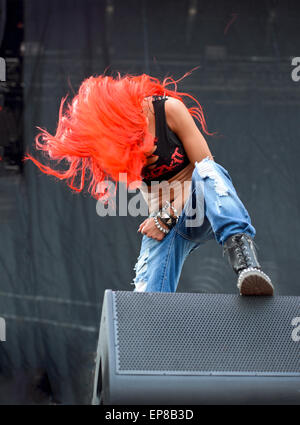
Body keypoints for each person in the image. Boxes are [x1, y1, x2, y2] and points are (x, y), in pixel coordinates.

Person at [24, 72, 274, 296]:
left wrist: (169, 213)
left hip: (206, 207)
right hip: (170, 222)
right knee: (146, 299)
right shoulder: (117, 148)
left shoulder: (169, 111)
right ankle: (150, 334)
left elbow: (205, 171)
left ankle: (245, 261)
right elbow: (156, 202)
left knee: (210, 171)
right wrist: (166, 217)